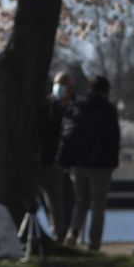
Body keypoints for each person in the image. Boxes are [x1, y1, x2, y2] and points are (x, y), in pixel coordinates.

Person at [58, 75, 121, 253]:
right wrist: (113, 159)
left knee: (80, 202)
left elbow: (68, 131)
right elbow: (113, 137)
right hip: (100, 164)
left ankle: (72, 234)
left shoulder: (78, 106)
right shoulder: (108, 110)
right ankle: (94, 245)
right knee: (98, 207)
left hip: (78, 163)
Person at [37, 72, 77, 242]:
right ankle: (56, 232)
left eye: (62, 84)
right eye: (57, 83)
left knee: (63, 201)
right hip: (47, 160)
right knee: (52, 201)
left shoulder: (75, 107)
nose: (58, 87)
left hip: (66, 162)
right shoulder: (46, 106)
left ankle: (62, 234)